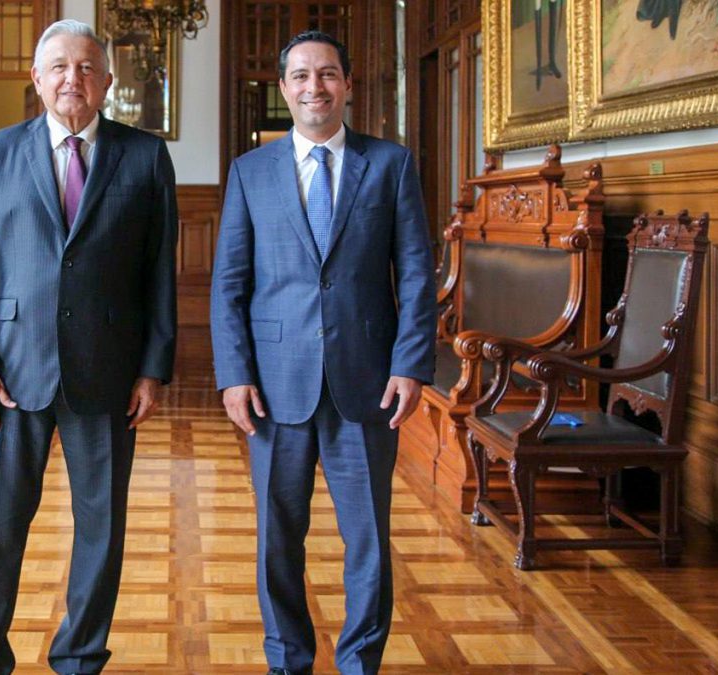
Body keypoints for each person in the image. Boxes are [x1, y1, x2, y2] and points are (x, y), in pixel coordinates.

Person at [0, 19, 178, 675]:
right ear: (37, 78)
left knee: (101, 527)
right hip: (11, 373)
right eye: (58, 66)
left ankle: (79, 654)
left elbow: (158, 272)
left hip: (107, 370)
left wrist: (153, 368)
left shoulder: (144, 156)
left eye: (85, 67)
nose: (71, 79)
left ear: (107, 80)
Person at [210, 31, 436, 675]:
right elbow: (230, 284)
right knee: (278, 539)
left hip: (367, 383)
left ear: (348, 85)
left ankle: (360, 660)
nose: (316, 87)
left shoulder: (389, 164)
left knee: (367, 539)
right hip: (274, 388)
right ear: (284, 89)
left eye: (329, 74)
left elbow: (416, 272)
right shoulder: (250, 172)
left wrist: (410, 363)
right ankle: (289, 659)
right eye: (302, 76)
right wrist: (234, 377)